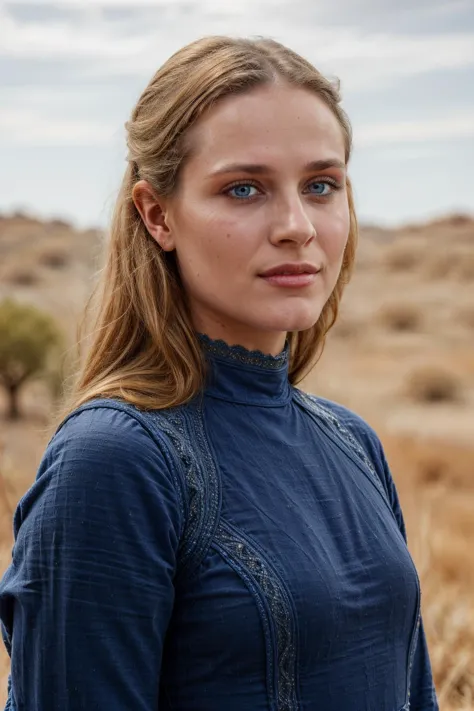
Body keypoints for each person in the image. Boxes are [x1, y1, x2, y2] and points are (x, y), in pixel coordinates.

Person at [0, 35, 438, 710]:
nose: (297, 225)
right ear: (157, 214)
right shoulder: (117, 460)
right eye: (244, 188)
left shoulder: (353, 442)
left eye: (322, 185)